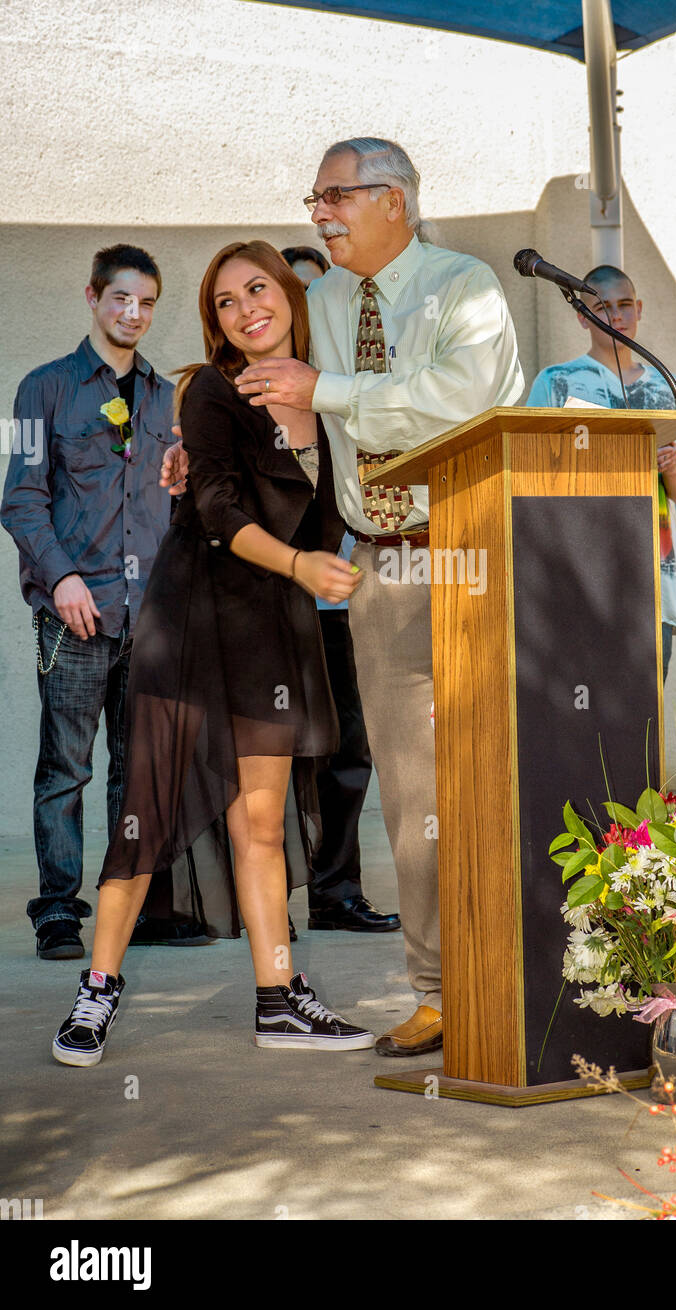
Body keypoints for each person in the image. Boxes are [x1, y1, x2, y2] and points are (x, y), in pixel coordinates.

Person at [229, 138, 525, 1058]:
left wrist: (334, 388)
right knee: (412, 793)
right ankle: (438, 988)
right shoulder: (317, 300)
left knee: (498, 772)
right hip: (382, 566)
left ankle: (528, 966)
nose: (318, 213)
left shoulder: (464, 284)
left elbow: (460, 399)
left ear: (392, 199)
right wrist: (195, 445)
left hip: (478, 548)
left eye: (334, 196)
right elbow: (260, 382)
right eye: (314, 197)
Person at [51, 240, 375, 1065]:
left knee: (260, 823)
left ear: (291, 297)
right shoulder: (210, 396)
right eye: (224, 302)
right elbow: (222, 511)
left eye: (256, 289)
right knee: (145, 813)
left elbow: (351, 509)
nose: (243, 310)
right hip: (193, 622)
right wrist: (302, 565)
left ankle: (279, 998)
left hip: (272, 634)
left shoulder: (334, 404)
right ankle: (97, 992)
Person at [1, 244, 206, 959]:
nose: (134, 314)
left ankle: (134, 903)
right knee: (67, 769)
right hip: (76, 616)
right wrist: (61, 581)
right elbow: (22, 501)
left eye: (146, 302)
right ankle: (58, 909)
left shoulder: (164, 396)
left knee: (137, 766)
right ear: (91, 297)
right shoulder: (42, 389)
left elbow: (176, 504)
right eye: (121, 298)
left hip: (149, 615)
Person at [280, 245, 400, 937]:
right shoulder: (259, 388)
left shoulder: (353, 383)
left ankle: (333, 892)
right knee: (278, 753)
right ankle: (270, 895)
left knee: (349, 751)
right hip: (276, 599)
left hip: (348, 597)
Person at [526, 265, 676, 680]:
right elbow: (529, 474)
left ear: (638, 309)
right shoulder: (556, 382)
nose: (617, 316)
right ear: (582, 316)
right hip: (580, 573)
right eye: (602, 307)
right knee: (584, 713)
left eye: (625, 305)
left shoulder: (666, 387)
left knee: (644, 717)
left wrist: (672, 467)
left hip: (651, 574)